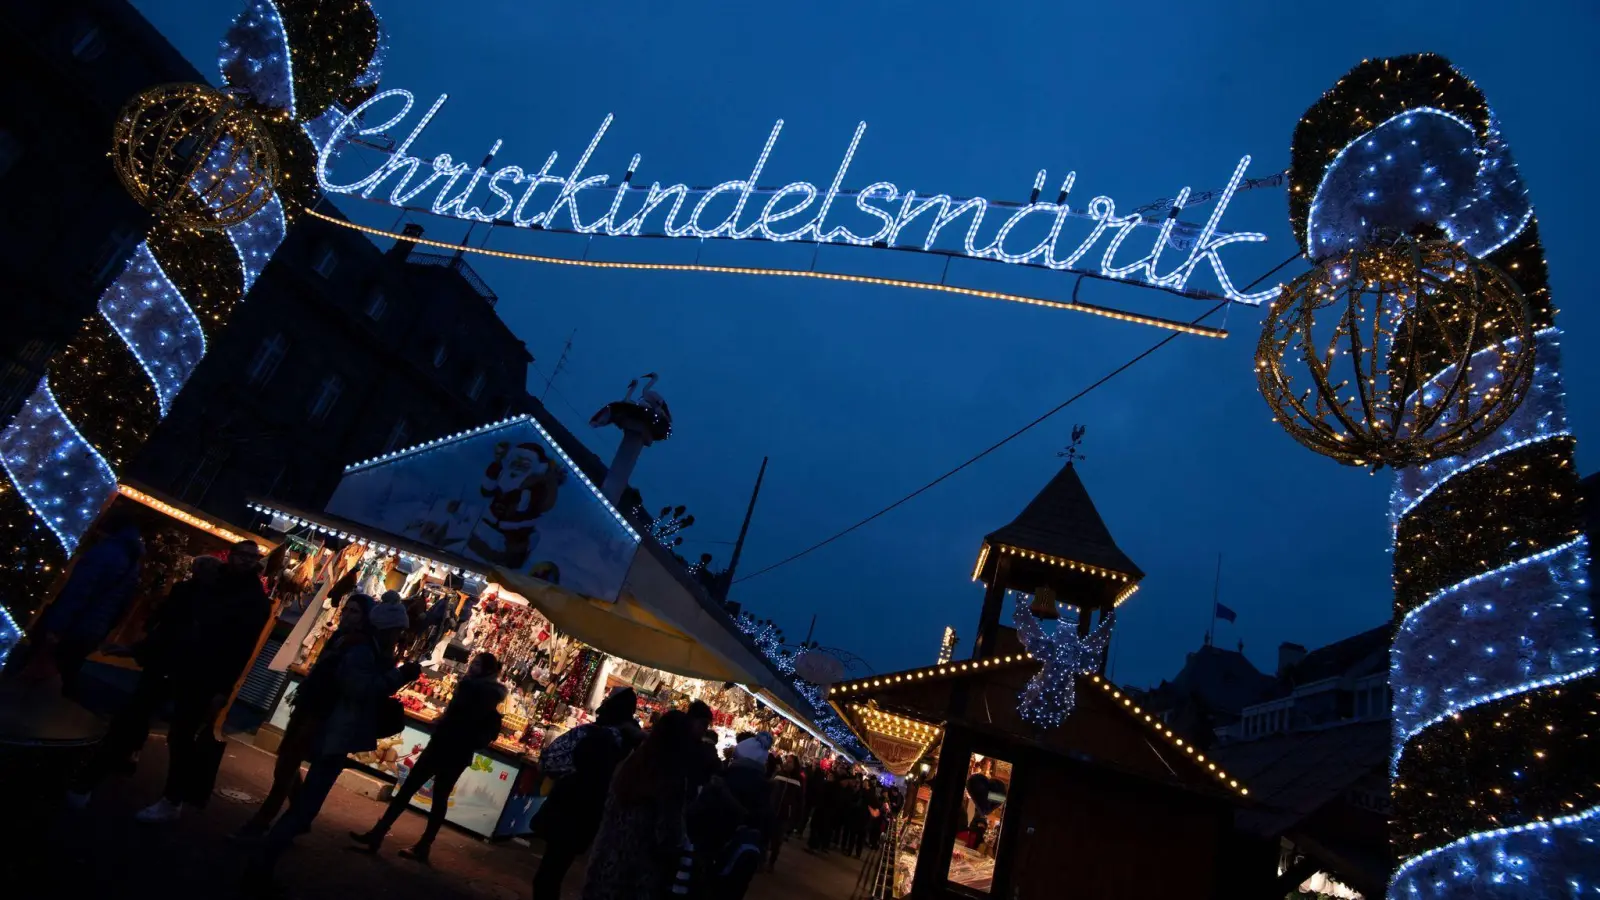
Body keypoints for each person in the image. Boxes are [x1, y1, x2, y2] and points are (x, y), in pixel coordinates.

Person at [250, 600, 420, 882]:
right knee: (305, 806)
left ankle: (264, 860)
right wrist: (399, 676)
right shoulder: (363, 651)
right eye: (398, 631)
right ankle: (260, 866)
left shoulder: (369, 650)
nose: (399, 638)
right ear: (388, 629)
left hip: (335, 732)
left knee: (305, 800)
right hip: (334, 733)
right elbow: (359, 688)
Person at [65, 556, 223, 806]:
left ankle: (95, 776)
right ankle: (137, 771)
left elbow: (169, 629)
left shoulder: (193, 596)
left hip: (169, 665)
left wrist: (141, 648)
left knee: (140, 716)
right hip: (175, 667)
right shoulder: (207, 599)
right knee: (149, 719)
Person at [135, 540, 273, 823]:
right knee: (142, 713)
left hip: (206, 674)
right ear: (232, 555)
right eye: (242, 555)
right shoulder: (214, 581)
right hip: (177, 661)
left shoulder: (254, 599)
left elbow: (241, 648)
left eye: (251, 557)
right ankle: (124, 762)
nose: (246, 560)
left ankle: (173, 798)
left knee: (182, 734)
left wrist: (224, 688)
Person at [235, 594, 373, 839]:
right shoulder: (339, 638)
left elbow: (340, 682)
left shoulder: (356, 646)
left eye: (355, 612)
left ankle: (260, 823)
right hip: (309, 705)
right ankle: (298, 816)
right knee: (288, 761)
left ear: (364, 619)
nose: (347, 615)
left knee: (286, 765)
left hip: (319, 712)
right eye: (347, 609)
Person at [351, 651, 507, 863]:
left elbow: (458, 716)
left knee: (408, 790)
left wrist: (442, 722)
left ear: (486, 670)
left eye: (477, 664)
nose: (471, 666)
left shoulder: (471, 688)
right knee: (438, 800)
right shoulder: (490, 694)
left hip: (443, 747)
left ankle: (379, 834)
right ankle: (422, 845)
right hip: (459, 753)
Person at [531, 687, 641, 900]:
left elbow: (551, 760)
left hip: (568, 808)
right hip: (592, 815)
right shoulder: (631, 746)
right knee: (555, 871)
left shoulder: (591, 734)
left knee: (548, 875)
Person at [27, 509, 144, 698]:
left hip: (75, 624)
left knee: (42, 668)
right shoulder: (133, 562)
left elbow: (79, 591)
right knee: (65, 673)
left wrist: (56, 626)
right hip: (93, 629)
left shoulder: (105, 552)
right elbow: (124, 602)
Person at [581, 710, 697, 900]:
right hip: (637, 875)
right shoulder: (671, 779)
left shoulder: (632, 763)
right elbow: (668, 835)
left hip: (605, 861)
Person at [768, 755, 805, 869]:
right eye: (787, 761)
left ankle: (771, 862)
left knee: (777, 841)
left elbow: (800, 800)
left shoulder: (798, 780)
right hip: (772, 810)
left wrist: (796, 818)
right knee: (766, 835)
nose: (787, 764)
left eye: (790, 762)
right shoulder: (778, 774)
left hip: (785, 815)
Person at [685, 700, 721, 796]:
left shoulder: (700, 746)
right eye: (703, 724)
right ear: (692, 719)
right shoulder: (678, 741)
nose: (705, 730)